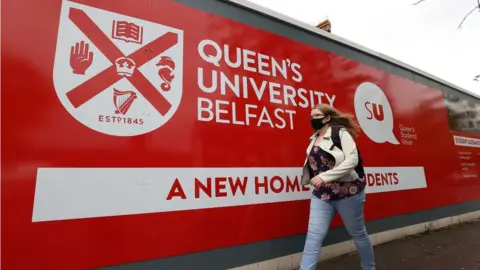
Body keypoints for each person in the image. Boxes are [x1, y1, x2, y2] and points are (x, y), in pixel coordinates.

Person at [299, 104, 375, 270]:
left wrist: (324, 177)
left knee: (358, 234)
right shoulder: (312, 140)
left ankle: (369, 268)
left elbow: (352, 160)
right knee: (313, 236)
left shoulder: (340, 133)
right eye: (311, 116)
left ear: (326, 118)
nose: (313, 119)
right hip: (322, 195)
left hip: (348, 193)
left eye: (317, 115)